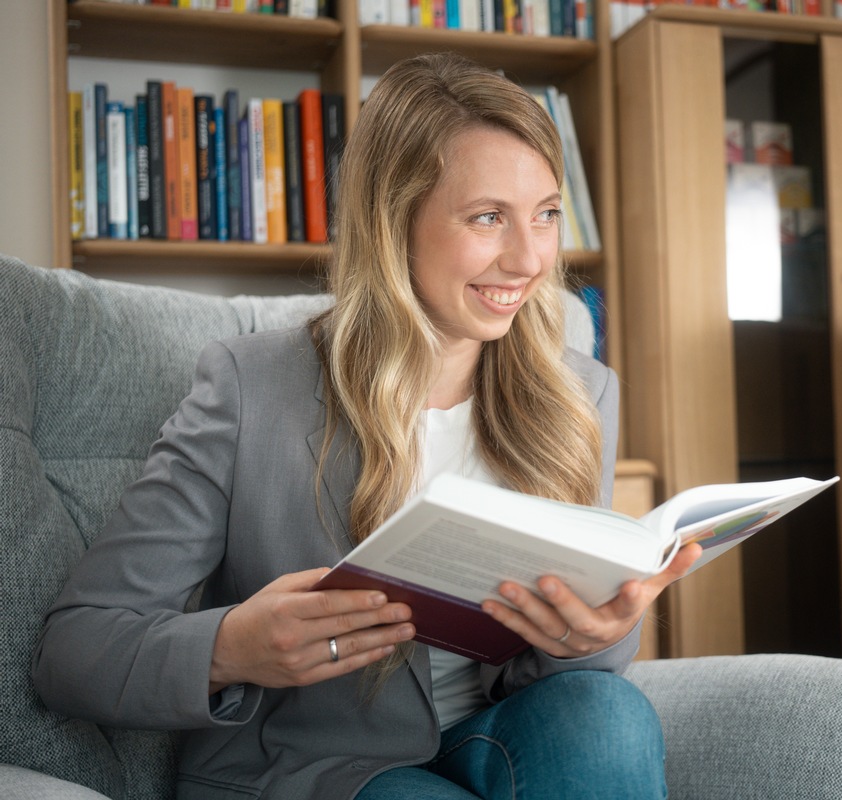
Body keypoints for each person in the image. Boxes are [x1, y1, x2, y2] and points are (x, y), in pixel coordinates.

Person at [33, 52, 700, 800]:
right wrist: (233, 647)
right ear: (393, 221)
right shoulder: (252, 389)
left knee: (605, 712)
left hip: (494, 737)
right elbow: (75, 648)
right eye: (488, 218)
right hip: (315, 770)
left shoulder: (579, 393)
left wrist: (595, 635)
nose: (529, 258)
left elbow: (562, 679)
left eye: (545, 214)